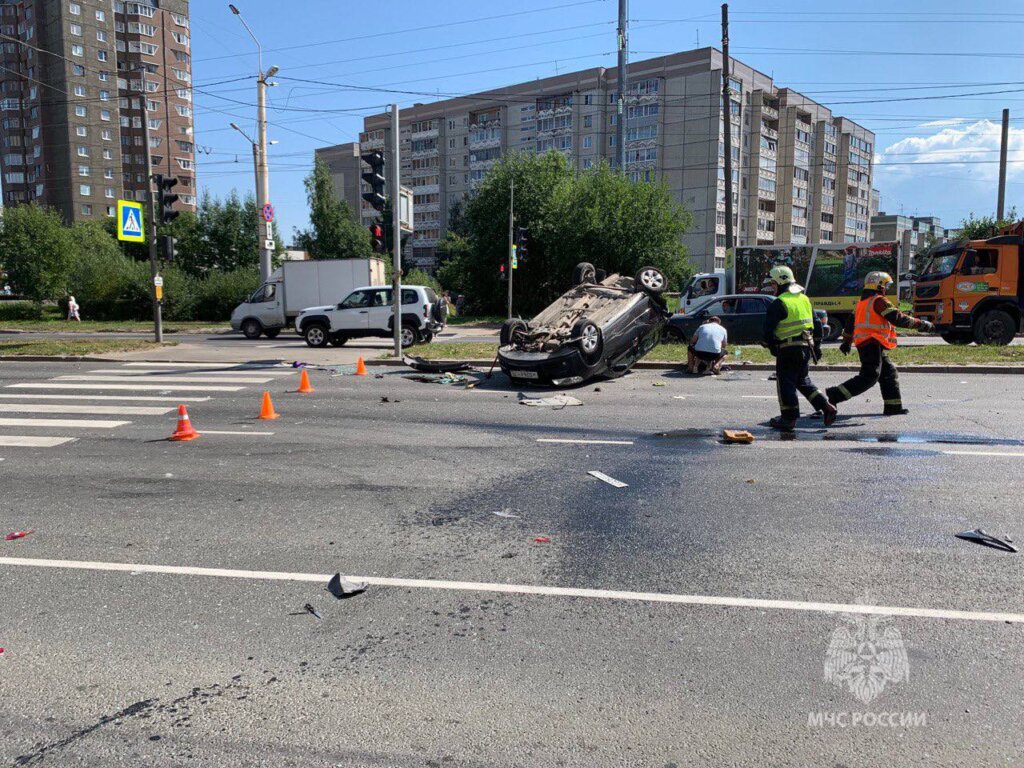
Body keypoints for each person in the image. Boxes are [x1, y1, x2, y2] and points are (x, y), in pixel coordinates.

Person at [826, 271, 934, 416]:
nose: (886, 289)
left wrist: (846, 342)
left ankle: (893, 407)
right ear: (879, 285)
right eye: (886, 286)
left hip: (869, 343)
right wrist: (923, 324)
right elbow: (898, 318)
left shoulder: (862, 303)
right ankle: (835, 394)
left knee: (888, 373)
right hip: (871, 343)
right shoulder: (879, 301)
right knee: (869, 377)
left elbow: (850, 324)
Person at [763, 265, 837, 430]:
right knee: (803, 381)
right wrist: (817, 346)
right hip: (805, 348)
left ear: (781, 282)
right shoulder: (804, 299)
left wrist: (772, 347)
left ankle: (788, 419)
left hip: (787, 349)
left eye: (773, 284)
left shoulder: (779, 303)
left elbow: (768, 331)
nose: (772, 288)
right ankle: (827, 407)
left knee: (786, 384)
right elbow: (817, 325)